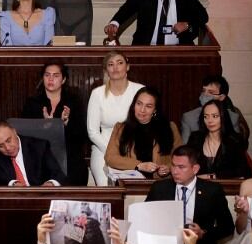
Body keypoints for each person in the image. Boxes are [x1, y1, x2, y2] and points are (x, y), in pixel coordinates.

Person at [22, 61, 89, 185]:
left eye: (56, 75)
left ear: (63, 79)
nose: (51, 79)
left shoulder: (74, 101)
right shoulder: (32, 103)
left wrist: (66, 123)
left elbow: (81, 135)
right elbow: (25, 136)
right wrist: (45, 127)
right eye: (47, 75)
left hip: (69, 158)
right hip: (41, 158)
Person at [86, 51, 144, 186]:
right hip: (103, 149)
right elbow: (92, 131)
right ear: (106, 70)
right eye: (110, 64)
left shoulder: (140, 90)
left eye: (120, 63)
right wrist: (113, 150)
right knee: (106, 187)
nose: (115, 67)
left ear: (127, 66)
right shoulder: (97, 94)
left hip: (134, 148)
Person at [104, 86, 181, 179]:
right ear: (134, 105)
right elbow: (110, 157)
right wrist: (139, 165)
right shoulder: (121, 128)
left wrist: (168, 167)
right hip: (131, 184)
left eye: (148, 106)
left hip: (161, 184)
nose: (142, 110)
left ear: (155, 110)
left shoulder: (170, 128)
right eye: (139, 104)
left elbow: (181, 157)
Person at [0, 121, 65, 186]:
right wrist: (13, 184)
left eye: (9, 140)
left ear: (14, 132)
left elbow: (58, 174)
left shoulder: (39, 147)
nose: (7, 148)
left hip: (41, 198)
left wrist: (50, 184)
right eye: (0, 146)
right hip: (13, 202)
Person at [187, 99, 252, 179]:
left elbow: (242, 170)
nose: (210, 121)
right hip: (199, 187)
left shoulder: (235, 140)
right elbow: (187, 165)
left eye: (215, 116)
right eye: (206, 117)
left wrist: (211, 176)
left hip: (226, 187)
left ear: (223, 117)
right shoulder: (195, 138)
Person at [179, 74, 251, 143]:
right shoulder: (189, 117)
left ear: (222, 97)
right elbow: (186, 149)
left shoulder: (232, 117)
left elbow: (236, 146)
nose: (205, 95)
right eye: (203, 91)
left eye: (211, 92)